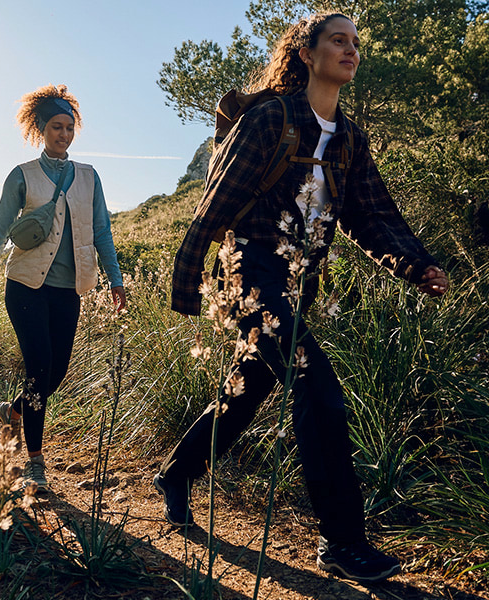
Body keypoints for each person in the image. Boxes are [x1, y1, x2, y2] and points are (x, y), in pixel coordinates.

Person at [153, 13, 449, 584]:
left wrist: (417, 265)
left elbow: (374, 216)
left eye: (356, 43)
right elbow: (216, 203)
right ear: (307, 54)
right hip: (250, 270)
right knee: (317, 384)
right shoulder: (271, 118)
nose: (351, 50)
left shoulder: (351, 141)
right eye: (338, 40)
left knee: (247, 390)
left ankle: (177, 473)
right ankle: (343, 542)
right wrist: (187, 282)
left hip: (296, 281)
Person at [0, 84, 126, 493]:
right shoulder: (22, 176)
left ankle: (15, 410)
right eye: (57, 127)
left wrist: (116, 278)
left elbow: (102, 231)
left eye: (69, 128)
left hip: (68, 289)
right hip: (25, 287)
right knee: (39, 367)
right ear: (41, 128)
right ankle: (36, 461)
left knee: (56, 370)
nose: (64, 134)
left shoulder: (89, 178)